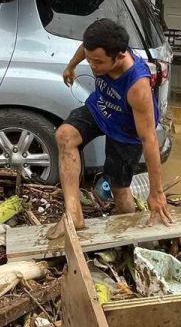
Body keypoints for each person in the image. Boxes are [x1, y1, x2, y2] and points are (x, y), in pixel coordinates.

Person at [49, 18, 172, 237]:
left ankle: (129, 236)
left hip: (127, 132)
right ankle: (73, 214)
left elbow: (149, 140)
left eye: (98, 62)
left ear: (120, 56)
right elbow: (86, 48)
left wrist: (157, 192)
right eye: (90, 61)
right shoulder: (100, 48)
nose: (94, 67)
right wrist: (71, 65)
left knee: (118, 188)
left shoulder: (137, 87)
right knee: (64, 135)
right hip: (102, 109)